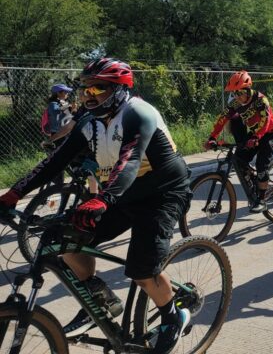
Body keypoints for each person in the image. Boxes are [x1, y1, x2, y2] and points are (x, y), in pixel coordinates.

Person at [0, 58, 192, 352]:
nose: (89, 95)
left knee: (141, 269)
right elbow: (56, 161)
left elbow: (129, 162)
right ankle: (99, 296)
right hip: (120, 193)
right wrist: (14, 193)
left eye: (98, 88)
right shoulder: (90, 122)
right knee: (61, 238)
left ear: (118, 89)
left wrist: (102, 199)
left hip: (162, 193)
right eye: (85, 90)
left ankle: (173, 317)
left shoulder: (138, 113)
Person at [204, 70, 273, 213]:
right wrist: (212, 137)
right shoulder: (235, 104)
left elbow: (265, 121)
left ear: (247, 89)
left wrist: (256, 137)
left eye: (239, 93)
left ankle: (262, 199)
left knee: (261, 165)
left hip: (270, 133)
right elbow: (222, 119)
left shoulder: (260, 100)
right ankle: (255, 182)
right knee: (239, 160)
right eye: (234, 94)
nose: (237, 97)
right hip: (255, 134)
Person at [41, 83, 77, 149]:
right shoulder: (53, 105)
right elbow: (60, 122)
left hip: (62, 133)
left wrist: (71, 110)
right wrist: (71, 110)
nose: (67, 93)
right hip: (58, 135)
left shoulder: (62, 103)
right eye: (65, 92)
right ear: (58, 93)